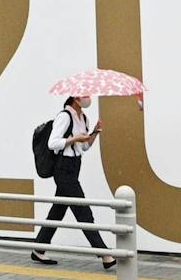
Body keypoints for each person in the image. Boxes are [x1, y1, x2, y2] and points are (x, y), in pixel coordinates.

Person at [30, 94, 116, 269]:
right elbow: (53, 143)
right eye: (85, 95)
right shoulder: (64, 116)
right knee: (83, 211)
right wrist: (75, 138)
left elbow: (84, 147)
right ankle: (104, 254)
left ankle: (39, 248)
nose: (88, 98)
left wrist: (94, 133)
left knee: (57, 211)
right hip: (63, 168)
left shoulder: (83, 118)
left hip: (75, 166)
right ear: (75, 98)